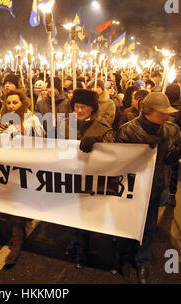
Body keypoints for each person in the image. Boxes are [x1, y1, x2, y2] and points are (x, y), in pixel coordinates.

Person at [117, 92, 181, 284]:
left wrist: (179, 152)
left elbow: (167, 159)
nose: (167, 116)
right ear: (148, 111)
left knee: (149, 228)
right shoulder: (127, 130)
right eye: (162, 112)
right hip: (131, 189)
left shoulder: (165, 130)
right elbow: (118, 162)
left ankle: (142, 262)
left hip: (154, 188)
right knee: (127, 225)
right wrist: (140, 150)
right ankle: (122, 256)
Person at [61, 89, 115, 268]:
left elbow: (113, 152)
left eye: (83, 107)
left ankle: (83, 249)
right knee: (69, 213)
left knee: (85, 216)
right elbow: (51, 144)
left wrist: (98, 141)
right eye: (76, 106)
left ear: (92, 108)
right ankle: (74, 242)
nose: (78, 110)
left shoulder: (102, 128)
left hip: (90, 180)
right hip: (68, 177)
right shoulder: (64, 124)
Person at [0, 89, 44, 265]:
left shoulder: (32, 119)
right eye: (9, 102)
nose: (12, 106)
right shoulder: (0, 118)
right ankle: (15, 236)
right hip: (6, 167)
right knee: (7, 205)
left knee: (18, 207)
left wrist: (22, 133)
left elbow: (41, 139)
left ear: (23, 103)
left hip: (24, 167)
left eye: (16, 102)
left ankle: (17, 243)